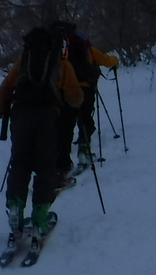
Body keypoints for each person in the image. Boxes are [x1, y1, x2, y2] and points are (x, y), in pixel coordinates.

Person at [0, 25, 84, 251]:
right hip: (47, 118)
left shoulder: (23, 62)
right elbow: (75, 98)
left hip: (20, 116)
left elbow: (5, 88)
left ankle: (15, 206)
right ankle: (40, 216)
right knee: (45, 167)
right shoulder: (62, 64)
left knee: (20, 163)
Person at [50, 21, 118, 175]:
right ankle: (84, 148)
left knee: (64, 123)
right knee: (85, 119)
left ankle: (59, 158)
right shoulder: (90, 50)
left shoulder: (58, 54)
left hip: (64, 91)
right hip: (85, 88)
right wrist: (116, 61)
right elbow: (108, 61)